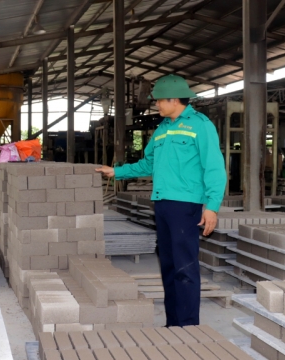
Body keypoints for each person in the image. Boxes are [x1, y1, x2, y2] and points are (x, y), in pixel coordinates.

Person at [96, 74, 226, 327]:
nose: (156, 105)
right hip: (163, 203)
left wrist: (212, 207)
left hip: (185, 205)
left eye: (159, 101)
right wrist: (117, 171)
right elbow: (149, 163)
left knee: (185, 267)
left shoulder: (201, 125)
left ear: (174, 100)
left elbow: (214, 167)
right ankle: (172, 323)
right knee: (168, 265)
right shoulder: (163, 129)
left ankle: (188, 326)